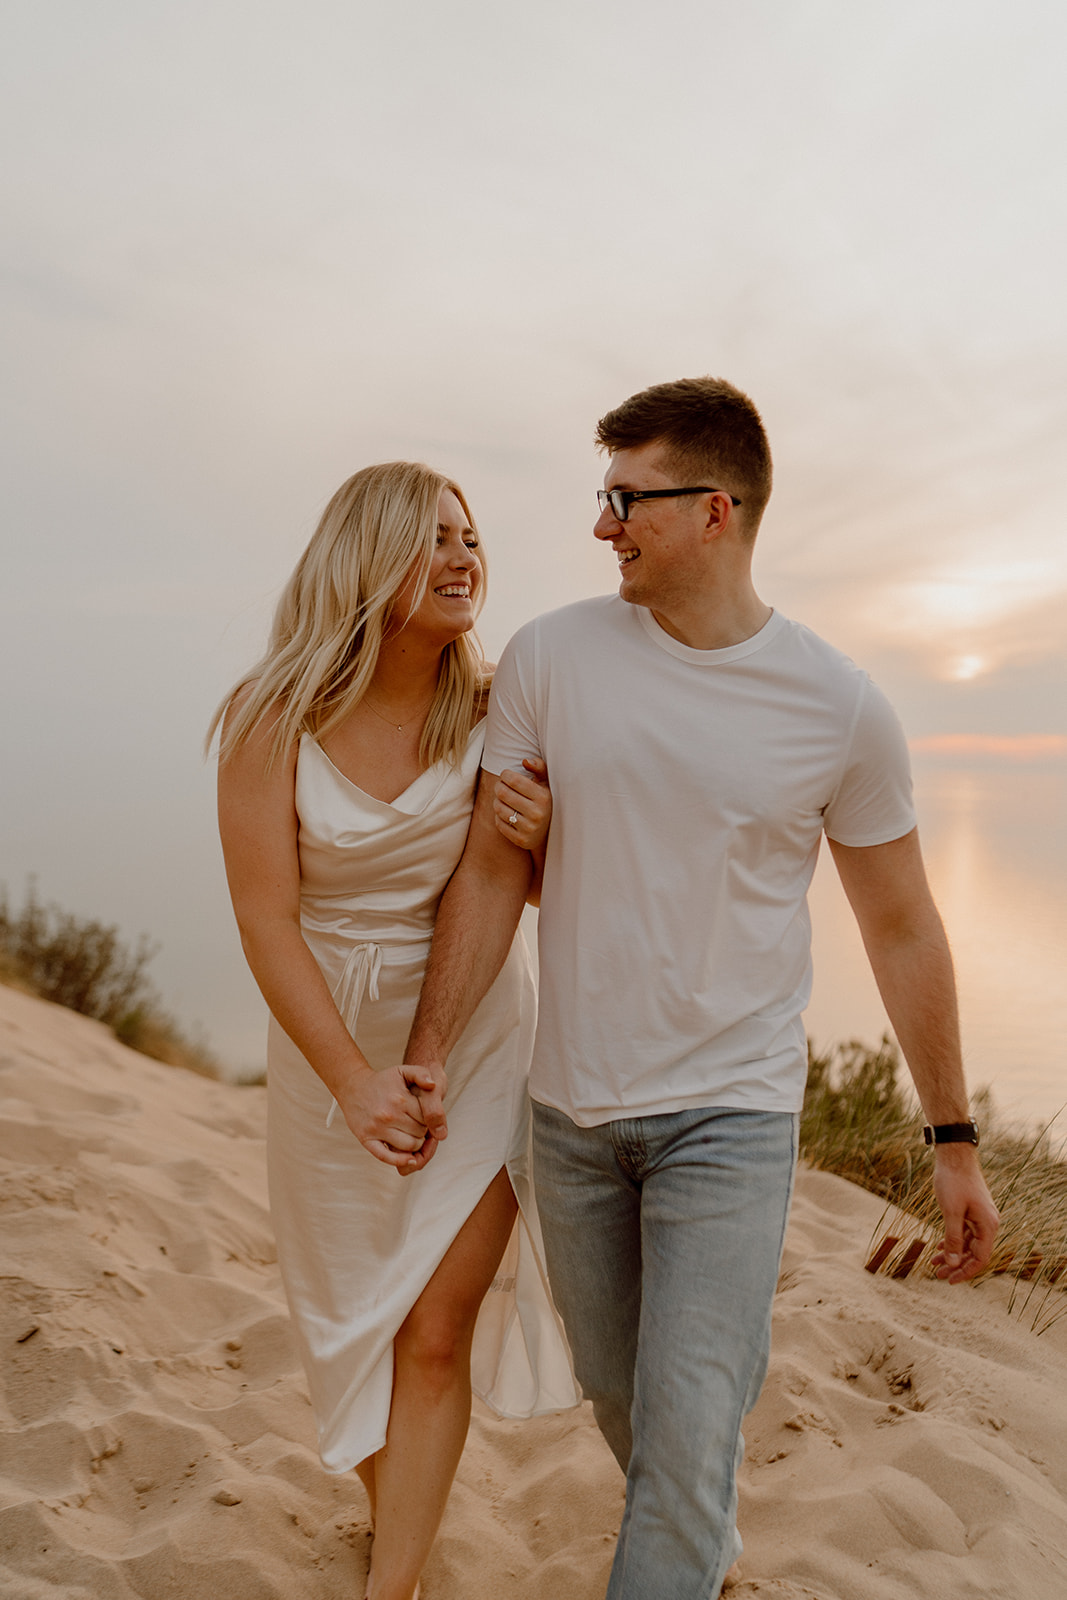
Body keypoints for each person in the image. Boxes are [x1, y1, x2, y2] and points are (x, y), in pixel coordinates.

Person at [402, 378, 1000, 1600]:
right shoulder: (550, 656)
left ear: (713, 510)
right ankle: (704, 1556)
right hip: (567, 1113)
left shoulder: (835, 705)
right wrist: (425, 1049)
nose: (601, 524)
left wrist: (951, 1140)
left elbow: (899, 928)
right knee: (625, 1404)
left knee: (682, 1437)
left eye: (626, 499)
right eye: (601, 495)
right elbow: (485, 872)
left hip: (729, 1118)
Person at [211, 460, 577, 1600]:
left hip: (476, 1042)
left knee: (431, 1330)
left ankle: (395, 1587)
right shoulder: (271, 720)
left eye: (470, 536)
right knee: (352, 1328)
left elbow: (542, 885)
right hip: (328, 1061)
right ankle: (401, 1535)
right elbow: (266, 924)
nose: (465, 556)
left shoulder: (497, 707)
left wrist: (552, 835)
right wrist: (353, 1081)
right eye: (434, 539)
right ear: (367, 561)